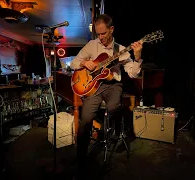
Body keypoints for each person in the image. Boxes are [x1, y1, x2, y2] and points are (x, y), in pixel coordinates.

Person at [70, 14, 143, 179]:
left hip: (113, 85)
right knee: (86, 119)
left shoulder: (120, 49)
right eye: (98, 34)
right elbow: (74, 63)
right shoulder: (91, 45)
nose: (100, 37)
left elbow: (133, 74)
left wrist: (137, 56)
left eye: (103, 33)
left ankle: (115, 130)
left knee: (113, 107)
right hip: (93, 86)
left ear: (112, 29)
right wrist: (83, 63)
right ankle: (81, 159)